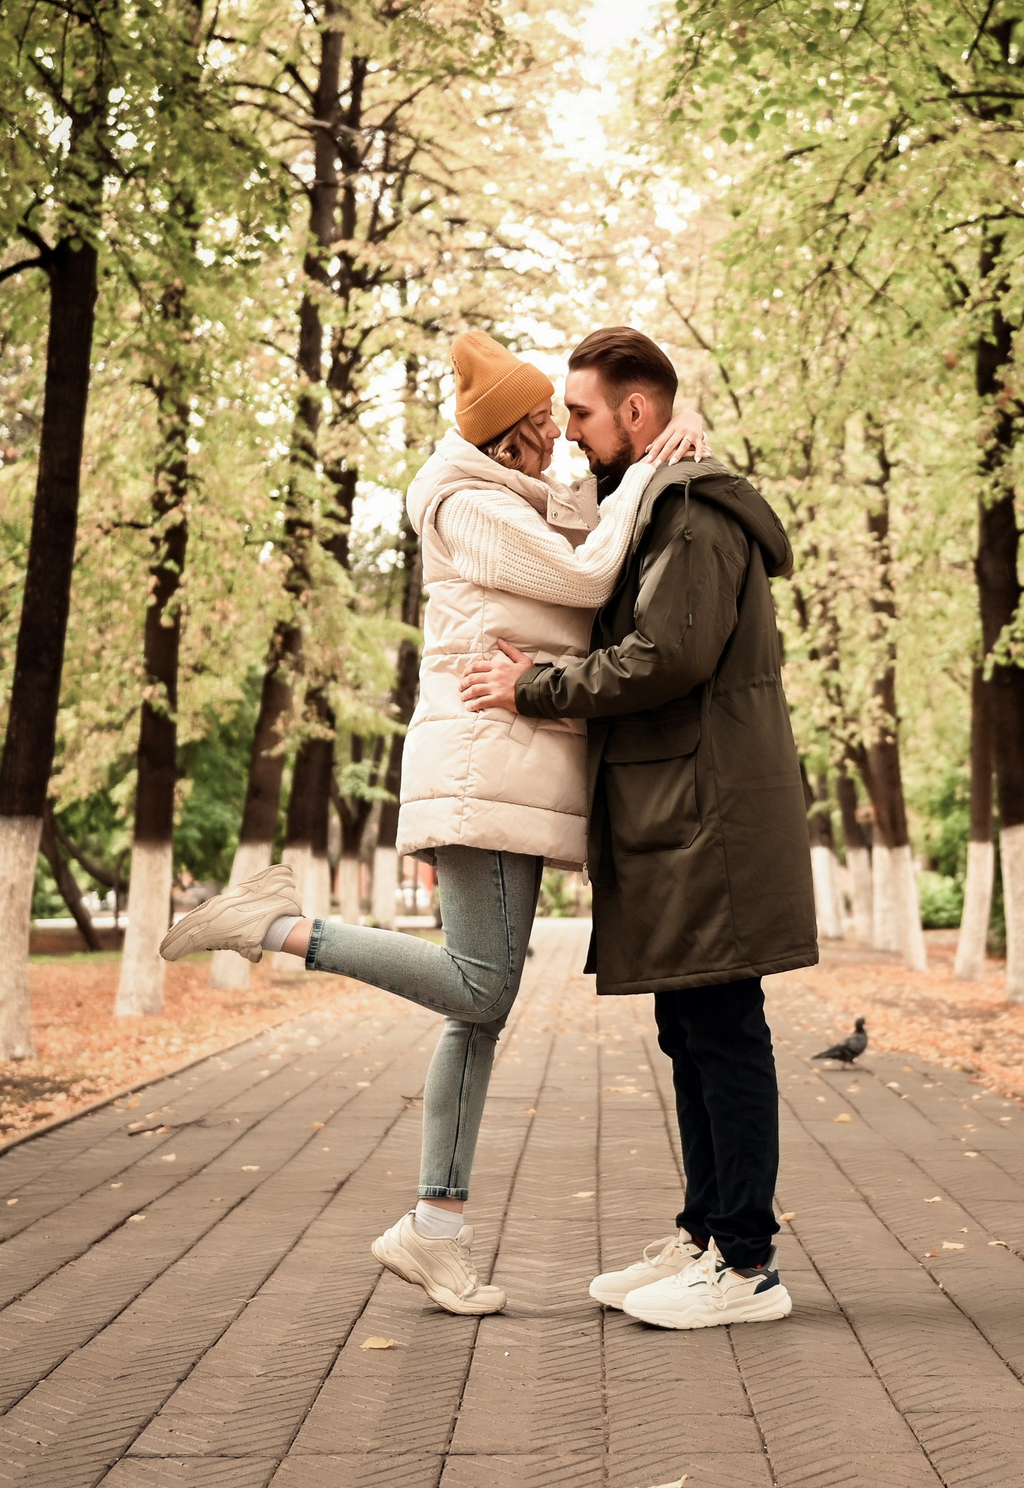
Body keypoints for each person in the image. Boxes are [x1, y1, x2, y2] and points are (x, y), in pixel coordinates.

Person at [160, 329, 706, 1315]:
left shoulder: (518, 495)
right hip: (485, 765)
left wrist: (675, 435)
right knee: (480, 983)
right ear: (509, 436)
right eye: (545, 420)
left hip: (511, 765)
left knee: (476, 1009)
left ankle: (434, 1231)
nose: (560, 436)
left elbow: (597, 504)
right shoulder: (471, 509)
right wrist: (636, 491)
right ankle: (273, 924)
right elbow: (588, 578)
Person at [461, 325, 818, 1330]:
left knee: (722, 1027)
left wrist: (531, 685)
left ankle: (744, 1262)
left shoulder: (694, 517)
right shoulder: (652, 505)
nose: (567, 432)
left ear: (635, 411)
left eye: (579, 411)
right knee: (692, 1026)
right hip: (681, 807)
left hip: (707, 811)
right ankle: (709, 1231)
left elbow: (662, 656)